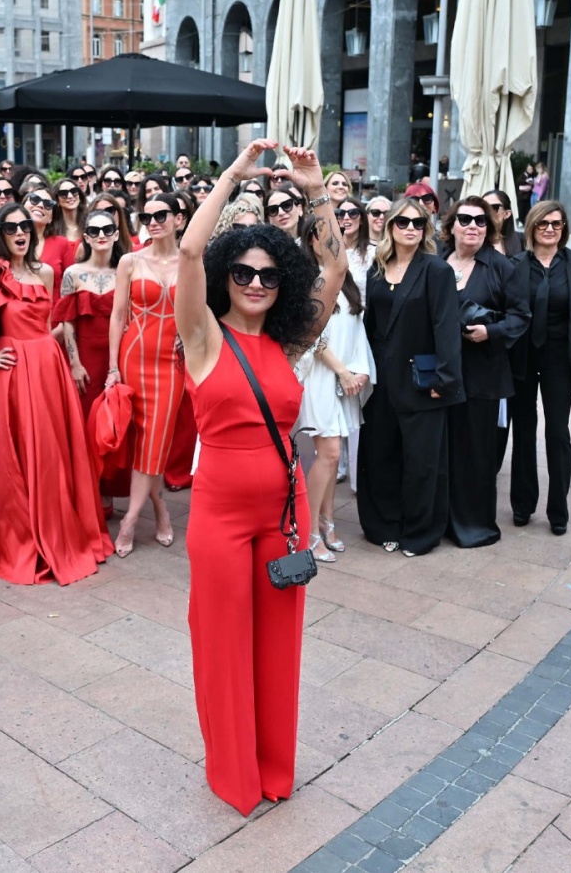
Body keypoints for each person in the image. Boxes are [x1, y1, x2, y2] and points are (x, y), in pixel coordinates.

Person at [176, 138, 348, 817]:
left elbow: (332, 263)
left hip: (283, 513)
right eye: (244, 271)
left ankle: (275, 768)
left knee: (277, 649)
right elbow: (189, 252)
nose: (255, 282)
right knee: (223, 645)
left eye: (269, 274)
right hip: (218, 517)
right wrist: (233, 176)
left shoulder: (289, 342)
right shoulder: (203, 338)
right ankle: (233, 771)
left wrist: (314, 191)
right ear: (226, 275)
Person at [0, 204, 112, 585]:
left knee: (53, 452)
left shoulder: (47, 271)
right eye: (11, 227)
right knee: (11, 455)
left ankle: (59, 533)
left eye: (25, 226)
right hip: (10, 371)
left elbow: (54, 323)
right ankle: (17, 538)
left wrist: (66, 357)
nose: (20, 232)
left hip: (47, 366)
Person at [357, 198, 461, 554]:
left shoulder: (436, 270)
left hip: (422, 381)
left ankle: (419, 533)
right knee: (380, 457)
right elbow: (368, 328)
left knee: (422, 463)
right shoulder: (376, 269)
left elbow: (447, 327)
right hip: (381, 383)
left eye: (418, 224)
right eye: (403, 222)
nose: (411, 229)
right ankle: (384, 524)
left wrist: (445, 380)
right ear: (389, 227)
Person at [442, 197, 530, 547]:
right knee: (441, 449)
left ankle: (474, 525)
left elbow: (520, 316)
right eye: (465, 219)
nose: (473, 225)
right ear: (452, 226)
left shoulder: (502, 267)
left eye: (481, 220)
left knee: (477, 453)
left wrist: (489, 332)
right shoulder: (435, 263)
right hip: (442, 373)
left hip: (483, 374)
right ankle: (441, 517)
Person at [508, 201, 571, 535]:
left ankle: (558, 511)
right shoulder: (515, 265)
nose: (550, 229)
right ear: (531, 227)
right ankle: (522, 504)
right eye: (543, 223)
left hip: (562, 358)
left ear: (564, 228)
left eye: (557, 224)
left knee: (558, 433)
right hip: (521, 357)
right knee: (523, 430)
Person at [107, 192, 187, 555]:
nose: (152, 222)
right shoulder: (129, 261)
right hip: (133, 357)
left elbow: (203, 312)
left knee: (156, 442)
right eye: (146, 216)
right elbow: (118, 316)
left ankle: (130, 520)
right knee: (140, 441)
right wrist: (112, 367)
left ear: (178, 219)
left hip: (172, 364)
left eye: (160, 215)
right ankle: (158, 507)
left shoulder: (192, 261)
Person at [297, 217, 376, 561]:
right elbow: (311, 335)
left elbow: (356, 329)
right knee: (329, 454)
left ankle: (327, 521)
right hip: (318, 376)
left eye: (338, 233)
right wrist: (343, 371)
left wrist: (358, 371)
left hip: (345, 376)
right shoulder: (304, 278)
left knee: (329, 456)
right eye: (325, 233)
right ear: (311, 238)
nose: (334, 239)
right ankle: (310, 529)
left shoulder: (343, 278)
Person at [54, 209, 131, 508]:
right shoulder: (73, 273)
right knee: (86, 424)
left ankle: (108, 490)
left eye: (107, 230)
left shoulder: (125, 271)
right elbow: (67, 321)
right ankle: (87, 490)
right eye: (94, 231)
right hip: (85, 356)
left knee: (115, 423)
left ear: (115, 233)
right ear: (86, 236)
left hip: (118, 355)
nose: (101, 235)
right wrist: (74, 363)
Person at [335, 196, 373, 303]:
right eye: (341, 213)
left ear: (361, 220)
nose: (346, 217)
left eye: (353, 213)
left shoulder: (374, 254)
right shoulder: (327, 253)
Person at [483, 190, 525, 258]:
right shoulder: (474, 240)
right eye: (484, 208)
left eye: (494, 207)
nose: (488, 212)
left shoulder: (522, 240)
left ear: (507, 214)